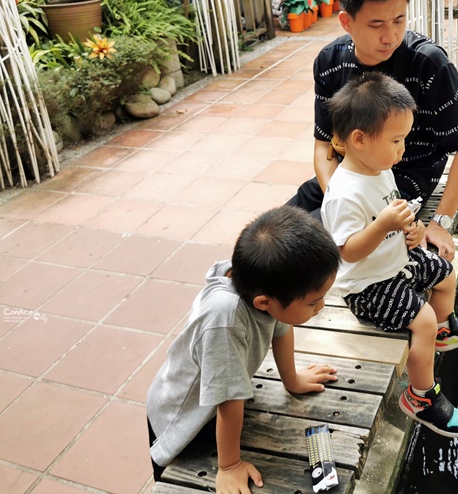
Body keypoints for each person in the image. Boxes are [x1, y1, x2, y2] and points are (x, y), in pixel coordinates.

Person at [320, 72, 458, 438]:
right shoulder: (343, 193)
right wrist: (384, 226)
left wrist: (410, 229)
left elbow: (395, 211)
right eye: (397, 140)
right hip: (368, 286)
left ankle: (446, 330)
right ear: (359, 139)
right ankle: (420, 397)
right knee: (423, 319)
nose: (402, 150)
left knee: (445, 272)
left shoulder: (378, 168)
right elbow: (347, 253)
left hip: (396, 261)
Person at [287, 0, 458, 263]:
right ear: (346, 22)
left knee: (303, 251)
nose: (390, 35)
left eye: (399, 20)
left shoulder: (429, 65)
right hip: (343, 177)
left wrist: (441, 222)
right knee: (274, 234)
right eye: (376, 24)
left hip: (397, 190)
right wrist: (338, 195)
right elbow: (324, 146)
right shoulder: (329, 62)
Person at [146, 206, 340, 492]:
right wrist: (229, 466)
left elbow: (281, 327)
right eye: (313, 302)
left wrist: (293, 379)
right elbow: (228, 401)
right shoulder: (224, 320)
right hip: (180, 417)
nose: (320, 307)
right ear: (264, 302)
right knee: (171, 482)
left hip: (216, 399)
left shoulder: (260, 280)